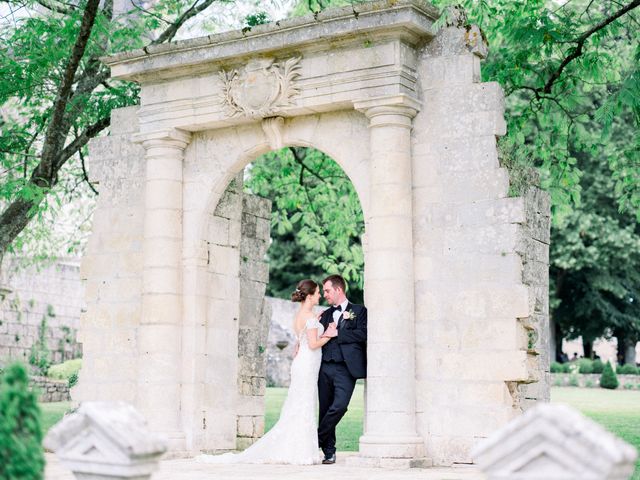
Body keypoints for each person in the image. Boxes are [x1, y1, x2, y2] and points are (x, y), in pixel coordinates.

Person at [197, 279, 336, 465]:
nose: (320, 295)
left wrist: (316, 325)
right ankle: (300, 452)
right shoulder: (309, 317)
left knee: (302, 404)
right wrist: (328, 334)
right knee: (304, 404)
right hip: (307, 363)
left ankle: (299, 450)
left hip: (304, 363)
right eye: (318, 292)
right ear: (310, 296)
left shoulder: (303, 315)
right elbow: (313, 344)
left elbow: (303, 339)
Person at [317, 274, 367, 465]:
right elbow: (316, 337)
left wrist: (339, 332)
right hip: (324, 367)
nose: (325, 295)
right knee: (325, 409)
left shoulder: (359, 311)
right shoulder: (325, 314)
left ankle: (316, 438)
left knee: (339, 406)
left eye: (327, 291)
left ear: (338, 290)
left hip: (346, 369)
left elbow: (363, 333)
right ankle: (329, 451)